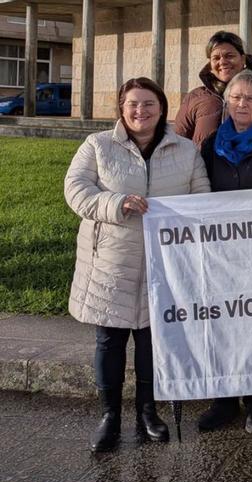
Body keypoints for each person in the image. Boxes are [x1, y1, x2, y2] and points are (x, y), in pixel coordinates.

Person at [64, 77, 211, 452]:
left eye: (148, 104)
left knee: (152, 341)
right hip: (110, 261)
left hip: (164, 265)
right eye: (132, 104)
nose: (140, 111)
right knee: (109, 340)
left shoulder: (185, 150)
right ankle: (109, 416)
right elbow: (76, 190)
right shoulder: (98, 145)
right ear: (121, 107)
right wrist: (117, 204)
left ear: (162, 109)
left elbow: (202, 197)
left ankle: (149, 412)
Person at [195, 70, 252, 435]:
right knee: (221, 321)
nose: (242, 104)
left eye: (250, 98)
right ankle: (222, 399)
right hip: (220, 250)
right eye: (235, 97)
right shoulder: (210, 144)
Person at [175, 30, 252, 148]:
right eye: (216, 58)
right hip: (203, 166)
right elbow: (178, 141)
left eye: (229, 56)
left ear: (243, 59)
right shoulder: (196, 97)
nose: (223, 62)